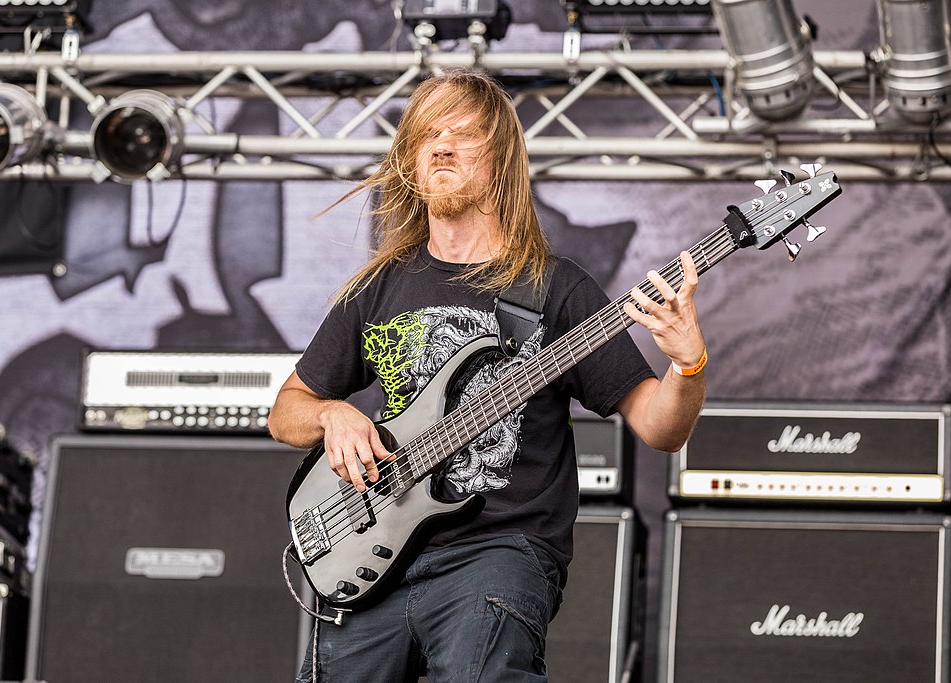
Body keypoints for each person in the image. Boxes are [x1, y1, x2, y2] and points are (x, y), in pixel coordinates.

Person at [268, 68, 707, 683]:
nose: (442, 146)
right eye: (429, 135)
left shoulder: (556, 288)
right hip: (372, 549)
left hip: (497, 551)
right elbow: (285, 412)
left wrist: (687, 363)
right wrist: (330, 414)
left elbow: (661, 428)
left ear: (500, 158)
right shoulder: (378, 287)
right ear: (410, 161)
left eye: (464, 133)